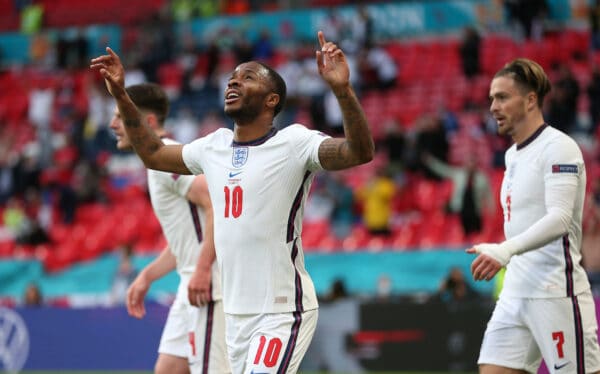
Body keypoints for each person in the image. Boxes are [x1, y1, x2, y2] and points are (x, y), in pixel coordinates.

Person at [91, 31, 374, 373]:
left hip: (282, 310)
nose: (234, 83)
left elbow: (359, 152)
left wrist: (342, 91)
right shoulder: (214, 146)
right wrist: (121, 94)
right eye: (231, 78)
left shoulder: (294, 143)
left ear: (272, 100)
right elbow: (152, 153)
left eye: (248, 78)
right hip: (236, 315)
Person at [467, 58, 600, 373]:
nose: (493, 107)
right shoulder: (512, 155)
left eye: (502, 97)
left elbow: (560, 219)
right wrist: (502, 247)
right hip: (515, 292)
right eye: (491, 98)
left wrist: (504, 249)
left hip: (556, 292)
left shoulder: (559, 148)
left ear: (530, 100)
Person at [109, 83, 229, 374]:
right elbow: (187, 239)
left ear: (148, 123)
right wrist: (147, 275)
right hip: (191, 284)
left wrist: (202, 270)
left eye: (120, 117)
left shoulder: (170, 156)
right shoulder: (159, 161)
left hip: (208, 285)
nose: (112, 124)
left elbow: (216, 203)